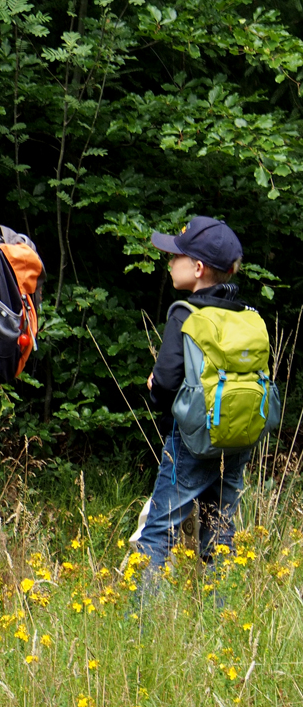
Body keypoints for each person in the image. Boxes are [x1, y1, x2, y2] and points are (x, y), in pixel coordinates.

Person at [140, 217, 251, 578]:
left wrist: (155, 388)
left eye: (177, 256)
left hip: (192, 441)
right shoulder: (247, 316)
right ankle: (224, 615)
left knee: (158, 531)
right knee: (220, 531)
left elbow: (168, 384)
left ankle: (142, 622)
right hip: (237, 438)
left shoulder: (184, 314)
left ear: (198, 268)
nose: (170, 262)